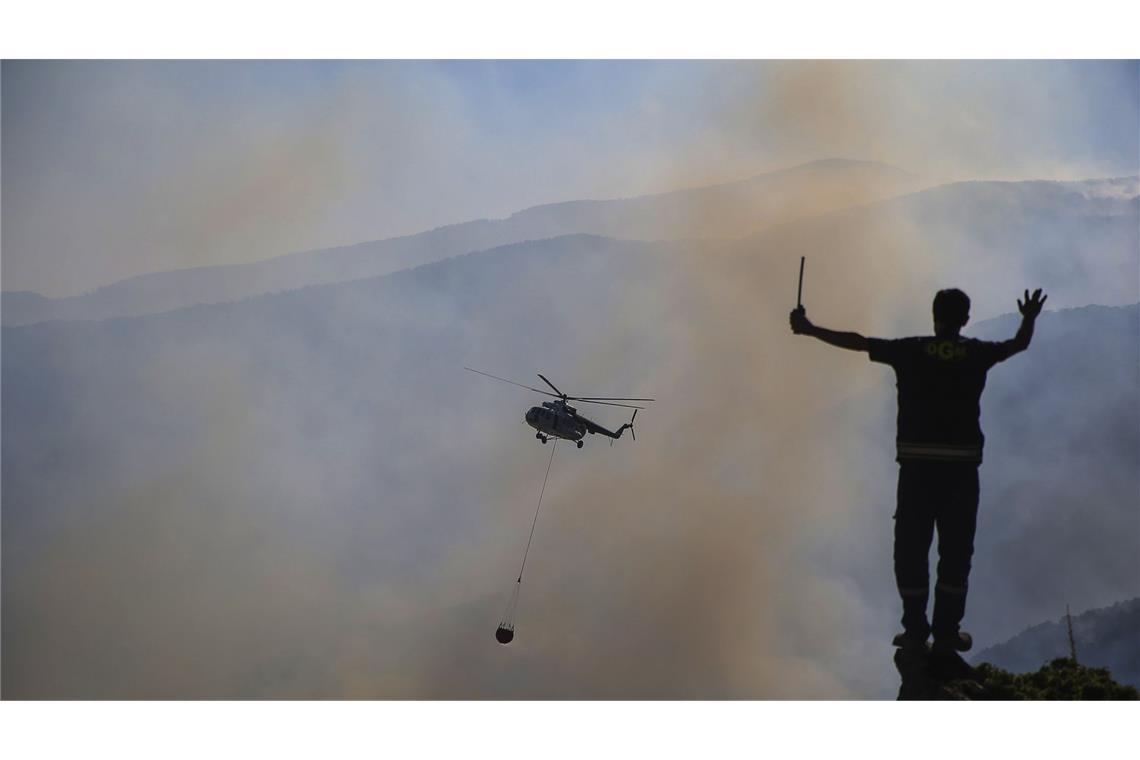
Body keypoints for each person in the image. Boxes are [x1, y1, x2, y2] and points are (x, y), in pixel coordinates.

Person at [789, 287, 1047, 666]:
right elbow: (1019, 344)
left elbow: (858, 343)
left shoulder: (910, 350)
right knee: (956, 556)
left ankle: (914, 631)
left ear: (934, 315)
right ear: (965, 318)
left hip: (917, 473)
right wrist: (1029, 317)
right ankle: (945, 634)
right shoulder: (977, 353)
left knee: (911, 552)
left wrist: (811, 329)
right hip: (961, 474)